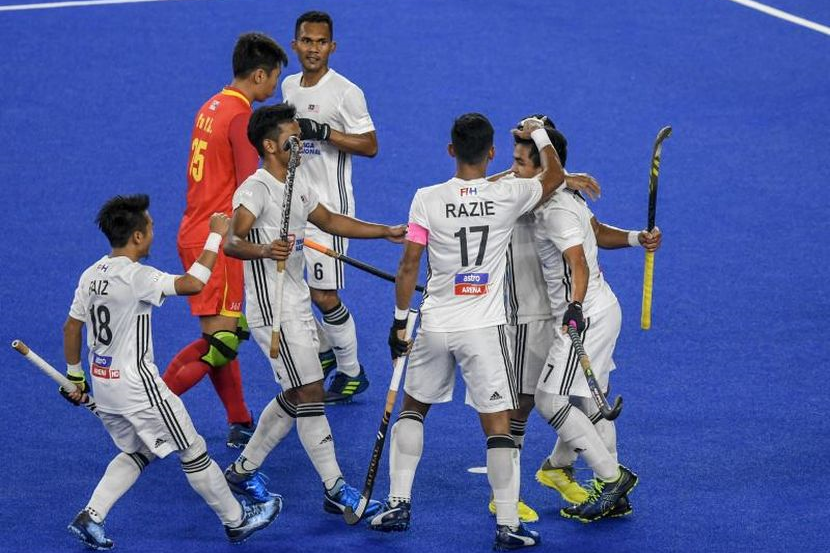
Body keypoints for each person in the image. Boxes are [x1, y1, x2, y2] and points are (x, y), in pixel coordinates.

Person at [368, 113, 565, 550]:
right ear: (492, 152)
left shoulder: (426, 198)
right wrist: (538, 133)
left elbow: (408, 265)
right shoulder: (509, 194)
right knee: (498, 426)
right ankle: (508, 524)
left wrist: (399, 322)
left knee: (412, 410)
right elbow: (553, 176)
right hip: (483, 330)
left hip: (436, 323)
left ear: (451, 150)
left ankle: (398, 503)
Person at [61, 195, 281, 550]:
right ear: (136, 236)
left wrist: (75, 374)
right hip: (140, 390)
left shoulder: (90, 275)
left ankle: (92, 516)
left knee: (139, 451)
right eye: (149, 227)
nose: (153, 232)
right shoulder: (137, 276)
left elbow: (72, 327)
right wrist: (215, 235)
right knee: (193, 450)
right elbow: (194, 283)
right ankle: (237, 520)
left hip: (104, 388)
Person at [221, 103, 405, 519]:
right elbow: (232, 242)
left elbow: (331, 221)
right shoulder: (256, 189)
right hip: (274, 312)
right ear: (270, 145)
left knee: (296, 392)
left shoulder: (297, 181)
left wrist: (384, 232)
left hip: (299, 304)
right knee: (311, 392)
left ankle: (242, 471)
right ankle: (334, 488)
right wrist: (265, 250)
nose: (300, 145)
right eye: (293, 139)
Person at [525, 119, 662, 523]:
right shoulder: (566, 192)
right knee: (590, 402)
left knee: (550, 401)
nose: (513, 170)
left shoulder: (554, 210)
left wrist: (574, 307)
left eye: (520, 163)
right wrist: (637, 238)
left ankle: (612, 478)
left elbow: (578, 262)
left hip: (583, 317)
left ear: (542, 168)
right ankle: (602, 490)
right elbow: (597, 231)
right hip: (601, 309)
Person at [163, 32, 288, 448]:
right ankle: (152, 408)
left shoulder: (212, 105)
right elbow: (253, 185)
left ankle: (239, 419)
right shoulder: (241, 117)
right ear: (259, 75)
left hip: (196, 230)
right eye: (274, 78)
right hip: (220, 237)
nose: (275, 87)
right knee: (221, 341)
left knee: (227, 333)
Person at [486, 117, 601, 523]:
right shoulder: (512, 189)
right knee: (520, 407)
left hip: (557, 316)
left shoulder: (557, 191)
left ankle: (557, 470)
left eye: (521, 161)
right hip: (524, 317)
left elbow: (590, 231)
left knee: (569, 398)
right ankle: (504, 498)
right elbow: (509, 182)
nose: (513, 167)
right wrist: (562, 176)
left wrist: (637, 238)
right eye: (513, 160)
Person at [281, 10, 378, 403]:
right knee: (292, 290)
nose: (314, 49)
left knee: (323, 296)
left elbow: (370, 145)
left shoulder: (346, 92)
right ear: (295, 44)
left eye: (321, 42)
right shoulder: (288, 86)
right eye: (307, 41)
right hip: (295, 208)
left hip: (330, 213)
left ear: (332, 47)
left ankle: (351, 372)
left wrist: (326, 133)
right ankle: (323, 350)